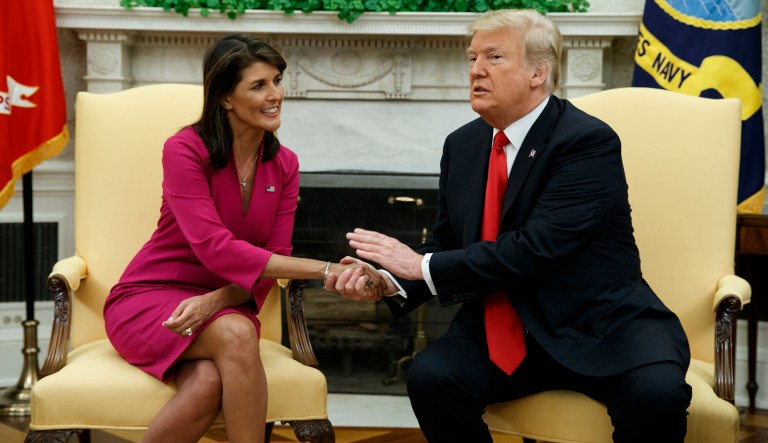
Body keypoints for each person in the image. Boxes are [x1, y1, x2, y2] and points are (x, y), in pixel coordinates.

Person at [327, 9, 692, 443]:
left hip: (597, 326)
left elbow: (535, 249)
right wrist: (390, 281)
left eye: (494, 57)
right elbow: (446, 240)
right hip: (503, 331)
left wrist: (416, 265)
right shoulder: (463, 144)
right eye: (471, 57)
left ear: (539, 72)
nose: (475, 70)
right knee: (431, 377)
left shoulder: (586, 141)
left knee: (659, 394)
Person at [103, 34, 384, 443]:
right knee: (237, 333)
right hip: (150, 299)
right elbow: (214, 247)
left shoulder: (285, 164)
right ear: (225, 98)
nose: (275, 95)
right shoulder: (184, 149)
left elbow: (272, 261)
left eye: (277, 80)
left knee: (206, 385)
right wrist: (328, 269)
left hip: (223, 305)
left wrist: (214, 301)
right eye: (258, 85)